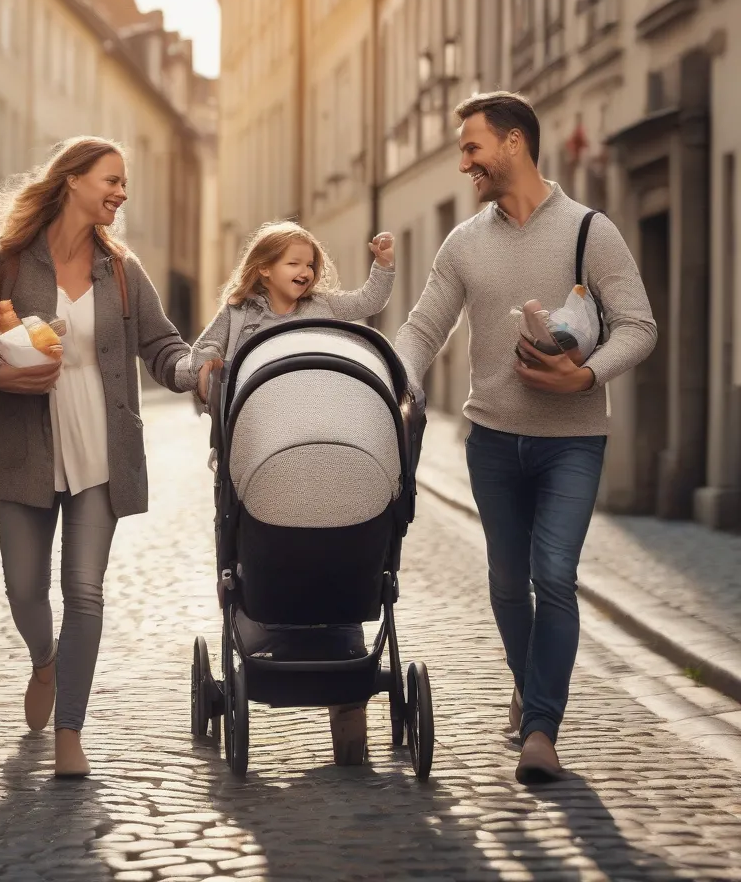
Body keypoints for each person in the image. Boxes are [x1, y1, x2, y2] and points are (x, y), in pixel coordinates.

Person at [393, 92, 657, 784]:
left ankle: (541, 729)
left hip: (572, 440)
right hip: (491, 440)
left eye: (472, 147)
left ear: (513, 143)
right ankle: (531, 680)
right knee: (508, 585)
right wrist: (386, 377)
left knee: (553, 576)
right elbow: (425, 326)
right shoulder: (463, 242)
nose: (463, 162)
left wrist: (585, 378)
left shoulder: (588, 231)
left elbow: (639, 325)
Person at [0, 136, 193, 778]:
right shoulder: (4, 263)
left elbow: (161, 344)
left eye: (124, 183)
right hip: (25, 440)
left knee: (84, 590)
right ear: (73, 180)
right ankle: (44, 659)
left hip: (102, 444)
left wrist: (196, 369)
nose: (121, 193)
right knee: (24, 587)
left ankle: (70, 731)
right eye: (111, 180)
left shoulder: (121, 271)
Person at [189, 220, 396, 766]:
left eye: (310, 263)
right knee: (262, 538)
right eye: (292, 263)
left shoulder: (323, 310)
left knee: (338, 541)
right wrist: (204, 373)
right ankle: (270, 632)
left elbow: (367, 304)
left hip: (325, 450)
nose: (304, 272)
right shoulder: (238, 315)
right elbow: (199, 355)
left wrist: (384, 265)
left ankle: (345, 697)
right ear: (263, 269)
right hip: (255, 454)